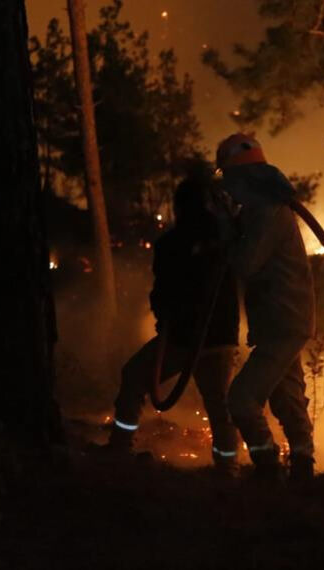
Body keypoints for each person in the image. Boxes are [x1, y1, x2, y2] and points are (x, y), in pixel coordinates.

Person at [98, 172, 241, 473]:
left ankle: (120, 448)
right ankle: (228, 469)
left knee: (135, 377)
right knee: (219, 406)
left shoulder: (175, 245)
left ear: (179, 207)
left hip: (185, 339)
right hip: (215, 339)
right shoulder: (228, 242)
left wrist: (164, 318)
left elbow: (164, 292)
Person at [214, 133, 317, 481]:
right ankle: (303, 467)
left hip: (282, 320)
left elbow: (245, 263)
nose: (228, 189)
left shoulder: (267, 213)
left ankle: (267, 466)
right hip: (283, 320)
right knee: (287, 398)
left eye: (230, 181)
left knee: (242, 399)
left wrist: (227, 229)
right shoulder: (265, 209)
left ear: (244, 178)